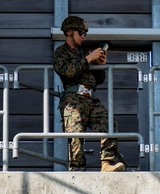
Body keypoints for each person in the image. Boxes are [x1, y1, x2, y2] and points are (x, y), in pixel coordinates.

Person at [53, 15, 126, 172]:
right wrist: (89, 58)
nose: (83, 36)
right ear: (69, 32)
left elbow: (98, 80)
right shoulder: (61, 52)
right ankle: (77, 170)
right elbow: (68, 72)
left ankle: (107, 163)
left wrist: (100, 65)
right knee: (75, 135)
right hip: (73, 99)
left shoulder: (83, 52)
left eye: (85, 33)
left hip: (89, 98)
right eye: (80, 33)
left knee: (110, 124)